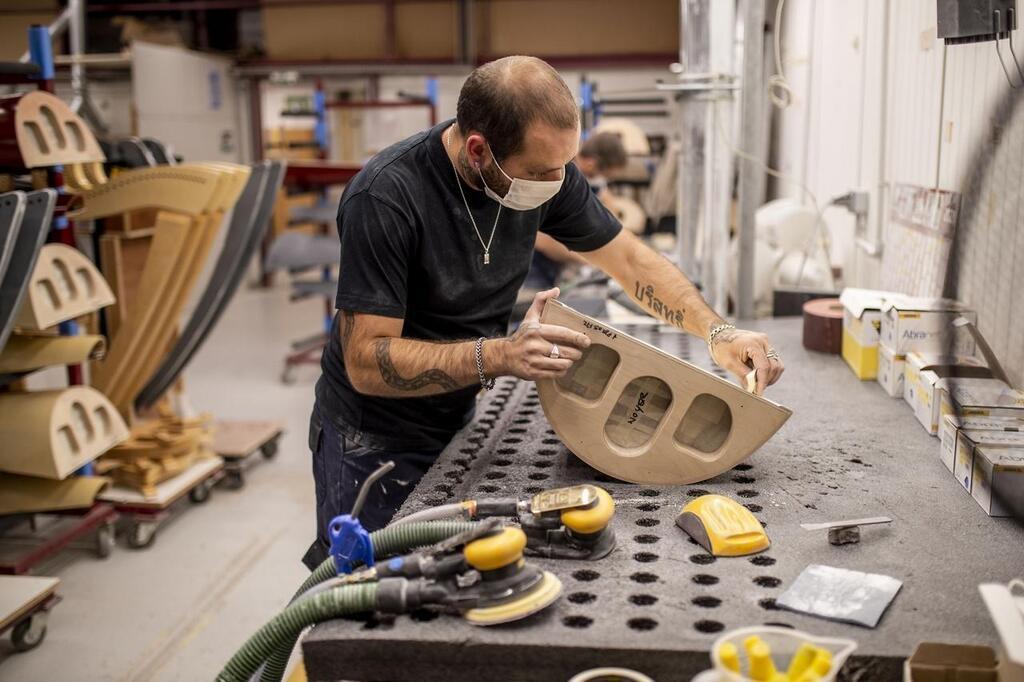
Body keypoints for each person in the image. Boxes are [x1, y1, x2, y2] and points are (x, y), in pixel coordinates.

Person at [302, 55, 785, 569]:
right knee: (366, 591)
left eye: (563, 166)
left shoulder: (546, 175)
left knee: (445, 576)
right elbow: (366, 361)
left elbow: (628, 259)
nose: (557, 181)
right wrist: (501, 355)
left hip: (455, 415)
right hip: (371, 441)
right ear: (478, 149)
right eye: (539, 172)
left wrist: (718, 332)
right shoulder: (386, 197)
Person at [524, 132, 628, 291]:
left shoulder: (592, 181)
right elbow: (541, 240)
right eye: (605, 175)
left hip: (554, 270)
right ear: (591, 164)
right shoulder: (558, 180)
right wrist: (590, 260)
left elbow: (608, 218)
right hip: (533, 273)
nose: (603, 180)